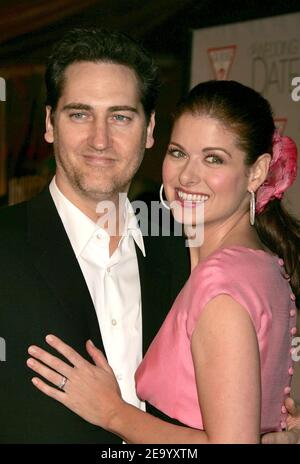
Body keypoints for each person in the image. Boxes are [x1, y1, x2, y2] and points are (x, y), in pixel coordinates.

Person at [26, 80, 300, 443]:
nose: (187, 175)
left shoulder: (220, 285)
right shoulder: (262, 263)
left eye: (213, 158)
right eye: (178, 153)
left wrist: (113, 412)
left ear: (256, 172)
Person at [0, 27, 189, 444]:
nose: (100, 140)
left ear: (150, 129)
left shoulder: (186, 250)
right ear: (49, 123)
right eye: (80, 114)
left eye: (120, 116)